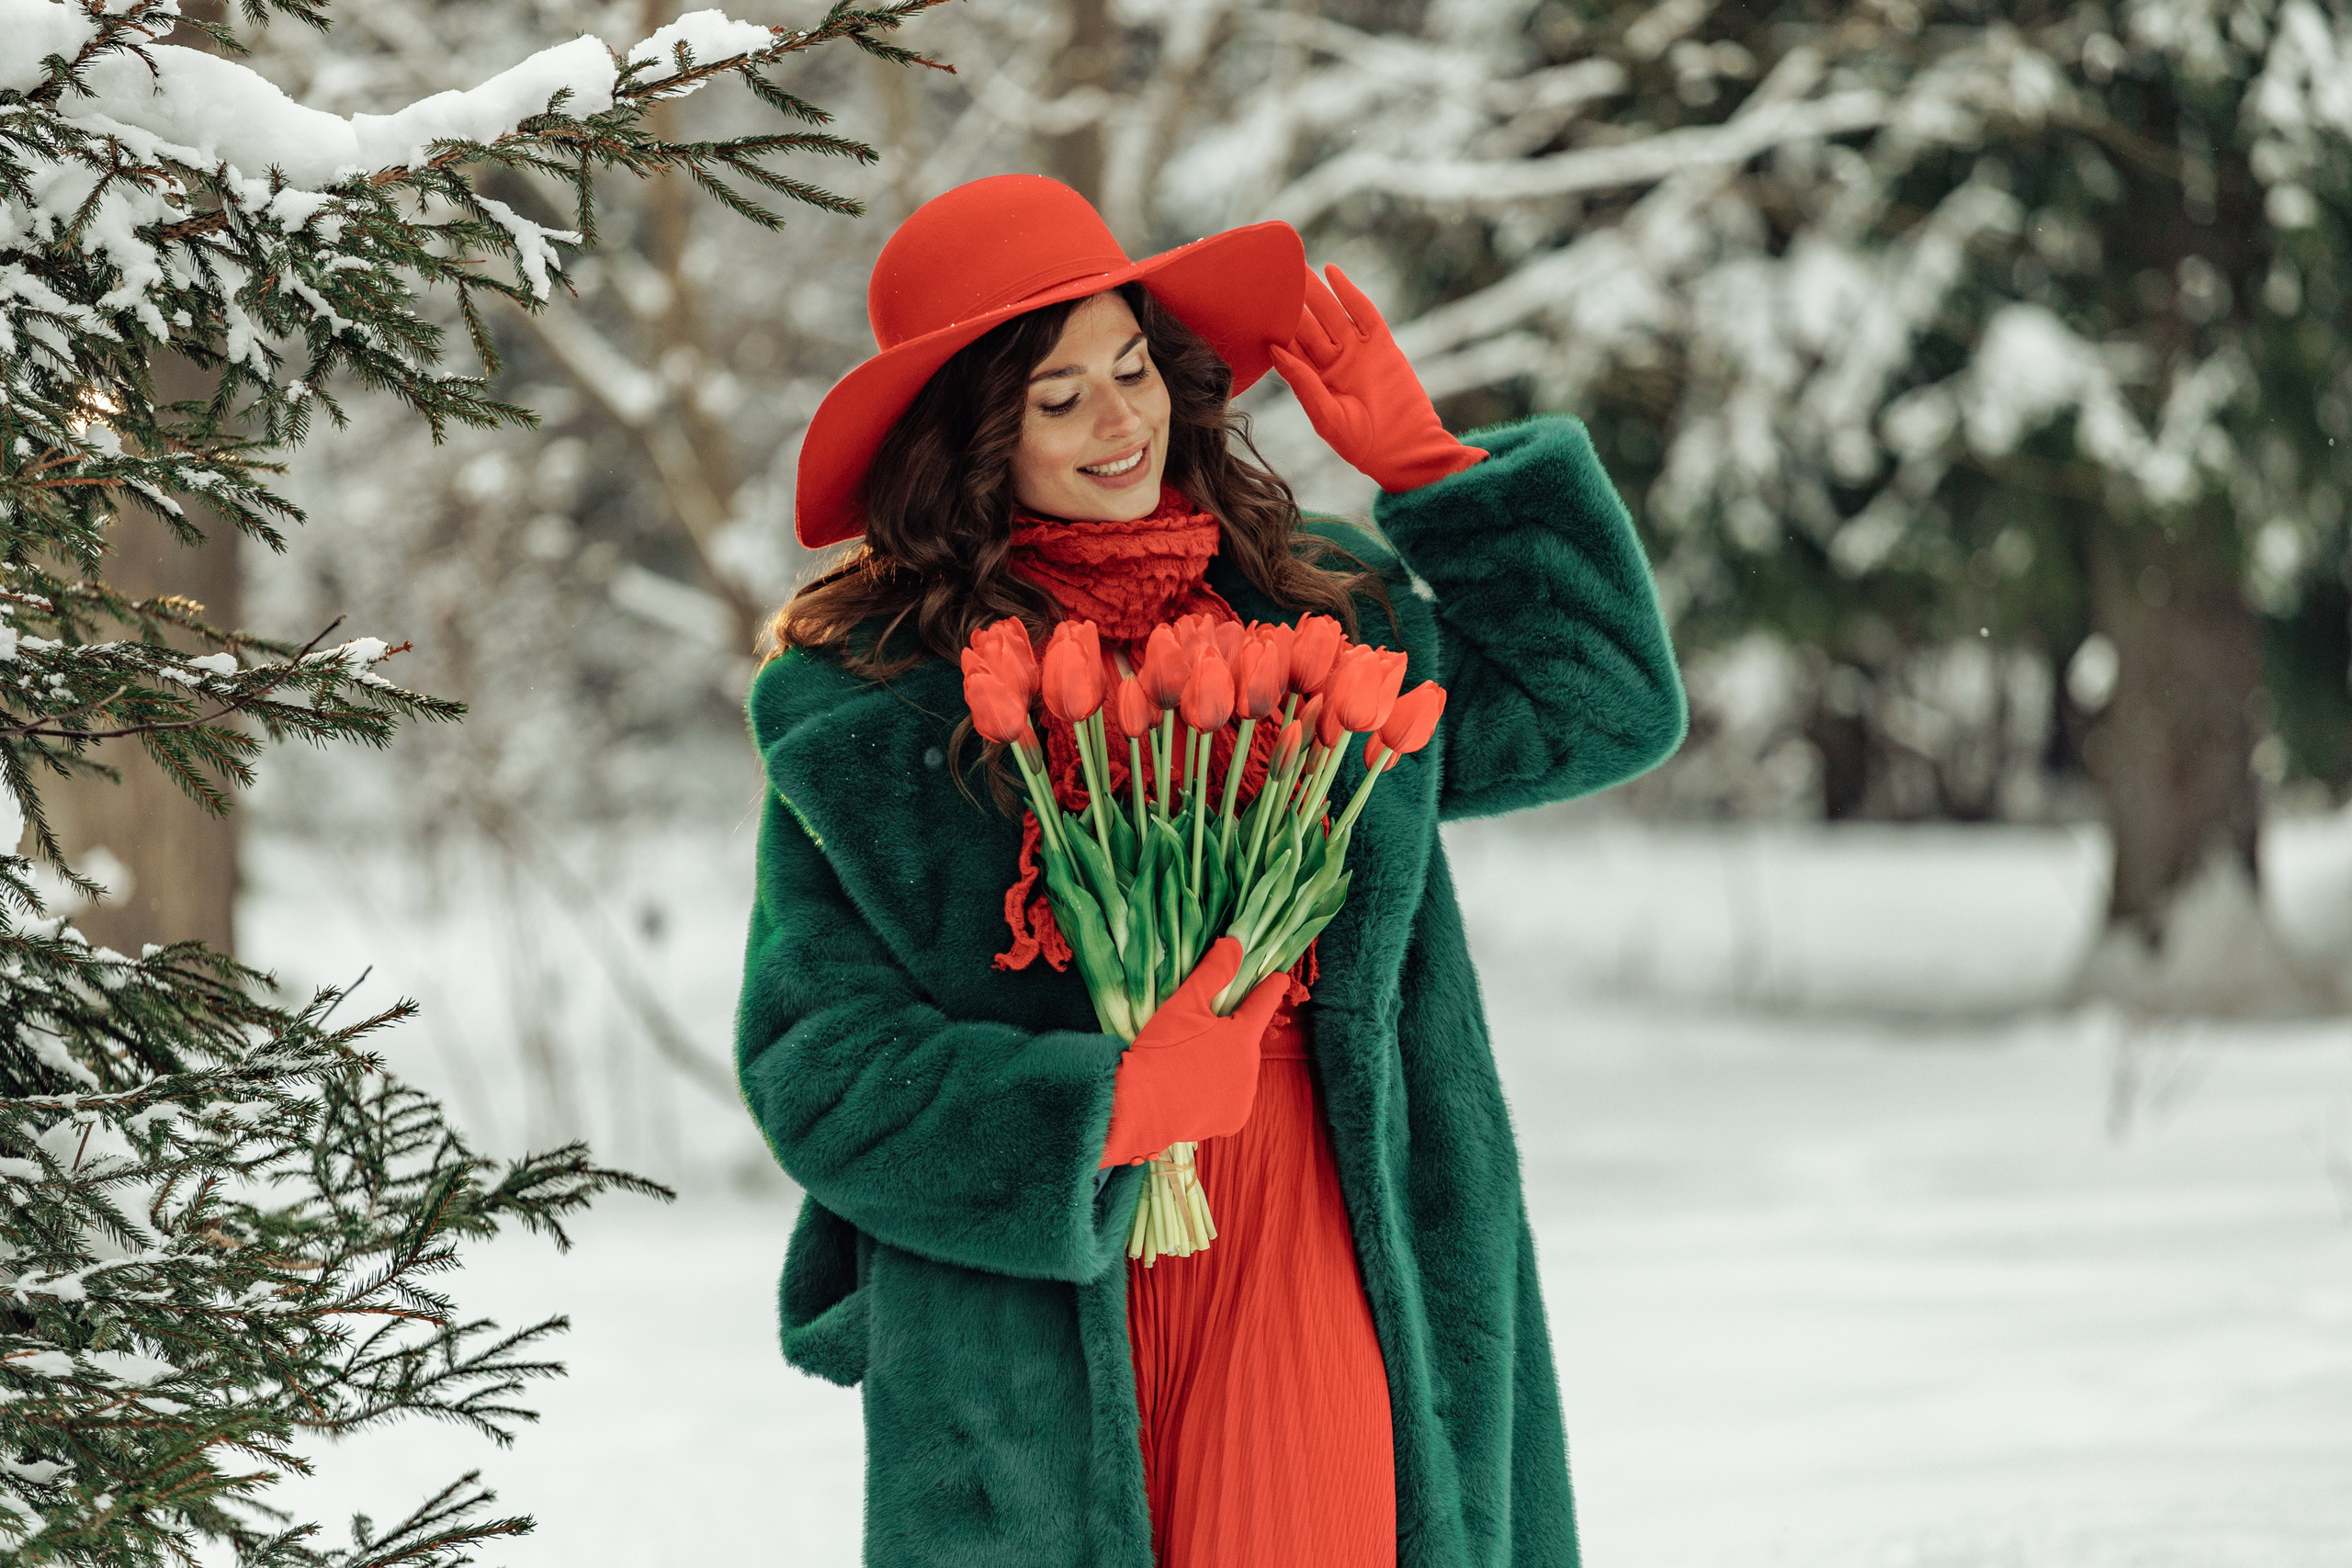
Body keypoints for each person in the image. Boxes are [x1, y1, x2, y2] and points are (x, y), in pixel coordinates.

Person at [735, 174, 1685, 1568]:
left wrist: (1427, 465)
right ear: (971, 442)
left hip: (1335, 1223)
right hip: (1050, 1294)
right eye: (1058, 401)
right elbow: (819, 1064)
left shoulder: (1321, 611)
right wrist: (1104, 1108)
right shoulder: (871, 706)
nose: (1121, 424)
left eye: (1132, 368)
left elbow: (1599, 704)